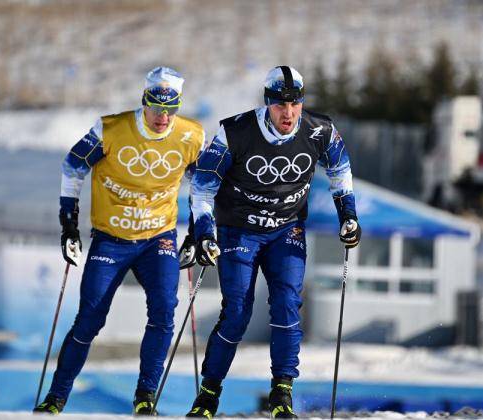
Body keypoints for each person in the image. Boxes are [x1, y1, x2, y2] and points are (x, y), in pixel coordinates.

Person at [184, 66, 361, 419]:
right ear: (267, 104)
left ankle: (282, 392)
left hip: (287, 229)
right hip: (239, 229)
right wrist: (204, 232)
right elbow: (202, 188)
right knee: (236, 312)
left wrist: (349, 215)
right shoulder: (234, 131)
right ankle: (208, 395)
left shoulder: (320, 130)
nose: (289, 112)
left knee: (286, 304)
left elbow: (340, 169)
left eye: (295, 104)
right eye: (281, 105)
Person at [33, 67, 205, 415]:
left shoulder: (192, 135)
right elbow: (72, 167)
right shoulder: (110, 128)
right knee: (90, 319)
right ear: (144, 102)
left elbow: (204, 186)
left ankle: (145, 397)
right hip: (111, 239)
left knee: (164, 311)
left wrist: (200, 232)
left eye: (170, 109)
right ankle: (56, 397)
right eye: (156, 108)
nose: (162, 117)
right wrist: (68, 224)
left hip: (158, 238)